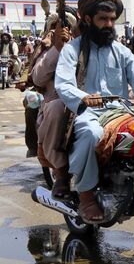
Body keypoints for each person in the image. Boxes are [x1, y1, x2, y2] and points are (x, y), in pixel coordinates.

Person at [55, 0, 134, 222]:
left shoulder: (122, 51)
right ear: (87, 19)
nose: (108, 24)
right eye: (103, 19)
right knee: (90, 133)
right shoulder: (72, 49)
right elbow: (63, 83)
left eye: (112, 20)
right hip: (88, 112)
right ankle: (85, 197)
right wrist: (83, 97)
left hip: (121, 111)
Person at [31, 12, 77, 199]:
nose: (62, 30)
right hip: (55, 101)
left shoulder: (82, 46)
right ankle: (61, 172)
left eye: (66, 26)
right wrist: (57, 48)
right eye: (57, 26)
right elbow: (38, 78)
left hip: (86, 98)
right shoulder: (46, 48)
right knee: (58, 107)